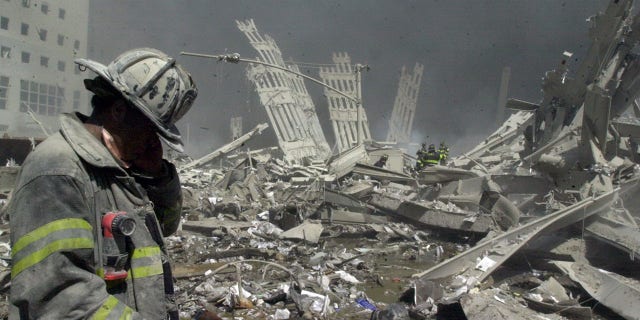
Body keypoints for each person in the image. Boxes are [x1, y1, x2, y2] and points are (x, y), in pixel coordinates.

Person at [7, 48, 197, 319]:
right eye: (149, 130)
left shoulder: (115, 169)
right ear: (119, 110)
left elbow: (165, 227)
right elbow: (61, 299)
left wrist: (157, 176)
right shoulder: (58, 170)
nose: (152, 142)